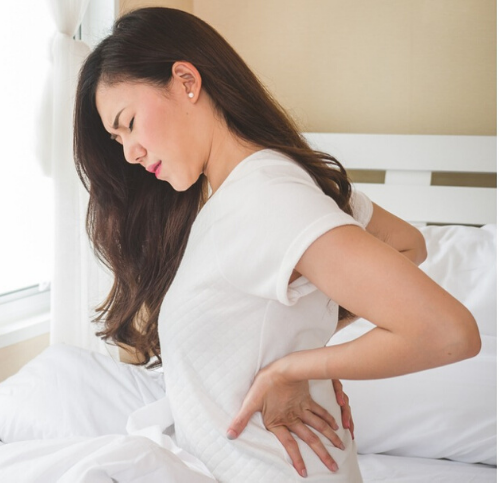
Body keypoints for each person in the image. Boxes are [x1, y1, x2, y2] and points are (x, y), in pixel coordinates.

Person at [73, 7, 480, 482]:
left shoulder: (266, 199)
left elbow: (450, 332)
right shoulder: (248, 190)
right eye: (116, 137)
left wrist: (295, 368)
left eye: (130, 123)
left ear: (186, 80)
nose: (129, 152)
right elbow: (409, 245)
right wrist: (305, 342)